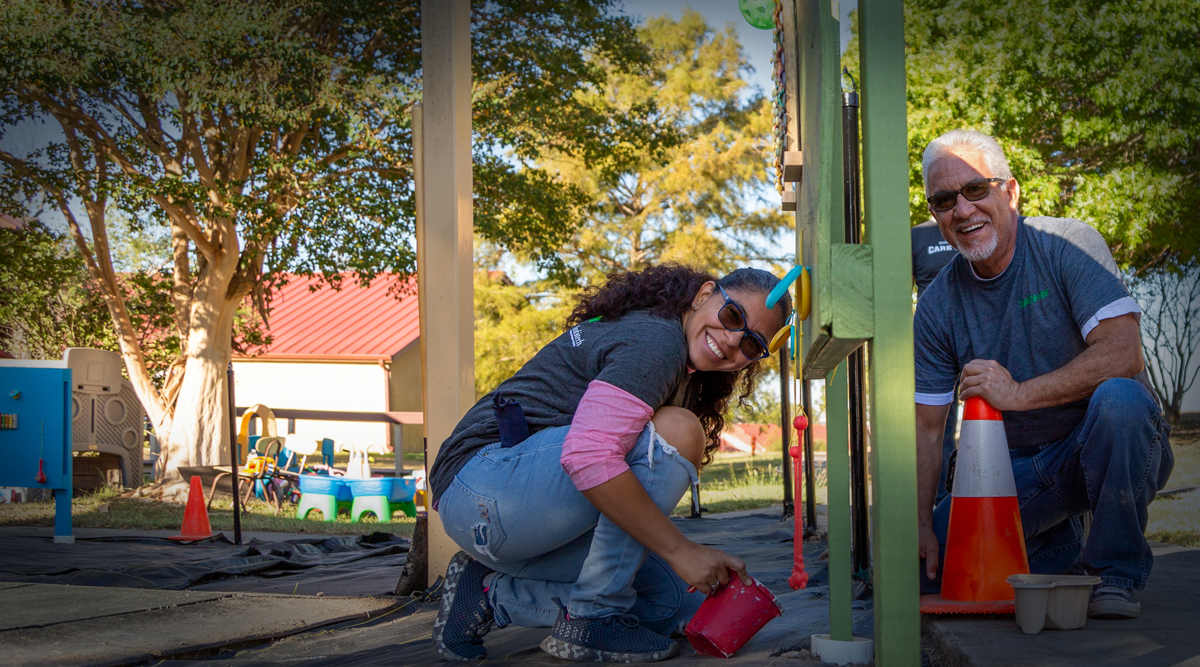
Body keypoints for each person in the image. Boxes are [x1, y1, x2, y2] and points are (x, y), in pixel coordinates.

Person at [428, 265, 791, 662]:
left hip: (514, 519)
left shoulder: (680, 363)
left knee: (669, 603)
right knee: (677, 430)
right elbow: (589, 455)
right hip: (484, 488)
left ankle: (487, 592)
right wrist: (680, 550)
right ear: (704, 295)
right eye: (733, 316)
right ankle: (593, 616)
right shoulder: (656, 341)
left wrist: (682, 555)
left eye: (753, 344)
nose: (733, 340)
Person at [913, 129, 1173, 619]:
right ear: (935, 214)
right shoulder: (935, 306)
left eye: (975, 190)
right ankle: (1061, 542)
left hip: (1107, 445)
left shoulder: (1067, 244)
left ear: (1009, 192)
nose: (962, 210)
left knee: (1121, 399)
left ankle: (1114, 573)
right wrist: (921, 523)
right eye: (945, 199)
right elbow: (927, 428)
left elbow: (1124, 353)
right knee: (927, 566)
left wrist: (1017, 393)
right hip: (1016, 471)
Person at [911, 219, 959, 504]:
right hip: (934, 343)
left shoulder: (967, 225)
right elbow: (898, 291)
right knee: (938, 428)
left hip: (977, 332)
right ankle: (941, 505)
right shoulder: (917, 236)